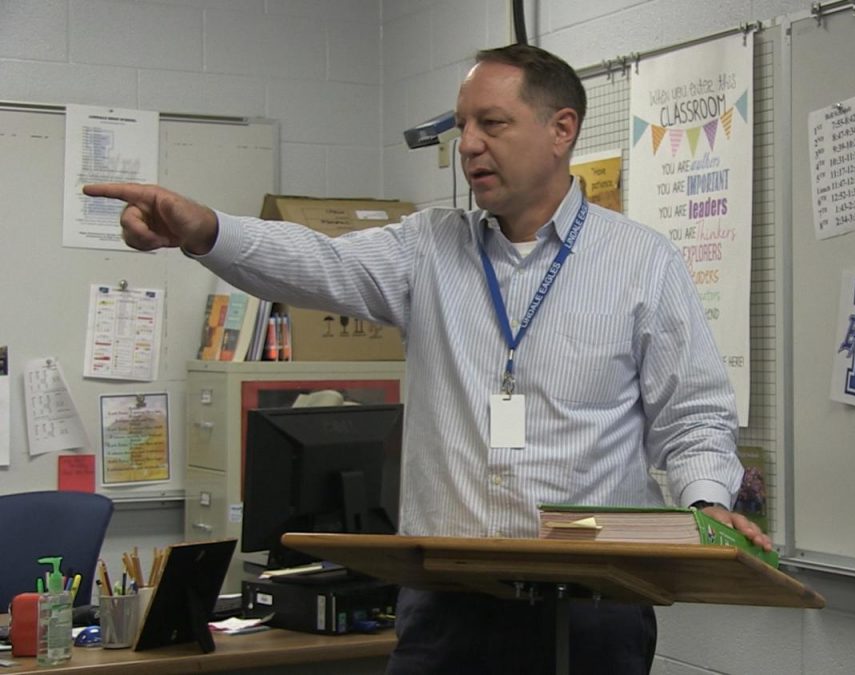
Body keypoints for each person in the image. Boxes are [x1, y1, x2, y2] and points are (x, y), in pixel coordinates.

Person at [85, 43, 768, 675]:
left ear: (561, 130)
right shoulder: (427, 248)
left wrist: (706, 501)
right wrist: (207, 231)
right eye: (462, 126)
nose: (467, 145)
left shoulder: (641, 262)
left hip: (594, 606)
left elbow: (694, 411)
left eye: (492, 124)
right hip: (447, 603)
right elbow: (317, 263)